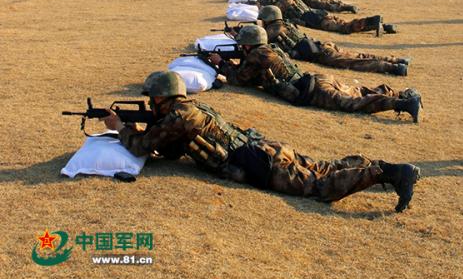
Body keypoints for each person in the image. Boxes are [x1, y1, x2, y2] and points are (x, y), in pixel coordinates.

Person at [102, 71, 421, 212]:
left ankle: (389, 172)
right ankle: (376, 166)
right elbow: (170, 150)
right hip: (262, 147)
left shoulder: (179, 117)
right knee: (323, 168)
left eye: (152, 98)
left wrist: (120, 127)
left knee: (317, 187)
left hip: (257, 162)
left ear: (161, 97)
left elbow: (143, 147)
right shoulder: (192, 108)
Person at [210, 25, 421, 122]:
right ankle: (401, 94)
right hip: (315, 80)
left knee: (354, 104)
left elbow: (238, 79)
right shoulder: (269, 49)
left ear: (248, 45)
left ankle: (403, 104)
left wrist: (221, 64)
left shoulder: (257, 55)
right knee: (358, 92)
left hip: (311, 91)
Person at [258, 5, 409, 76]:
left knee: (355, 62)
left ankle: (395, 68)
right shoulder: (286, 24)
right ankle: (396, 60)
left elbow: (260, 41)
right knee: (357, 56)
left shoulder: (274, 31)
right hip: (321, 45)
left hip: (321, 52)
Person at [268, 0, 397, 35]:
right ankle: (383, 26)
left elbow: (270, 11)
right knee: (346, 25)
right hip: (320, 15)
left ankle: (372, 20)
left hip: (318, 20)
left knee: (346, 28)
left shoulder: (283, 3)